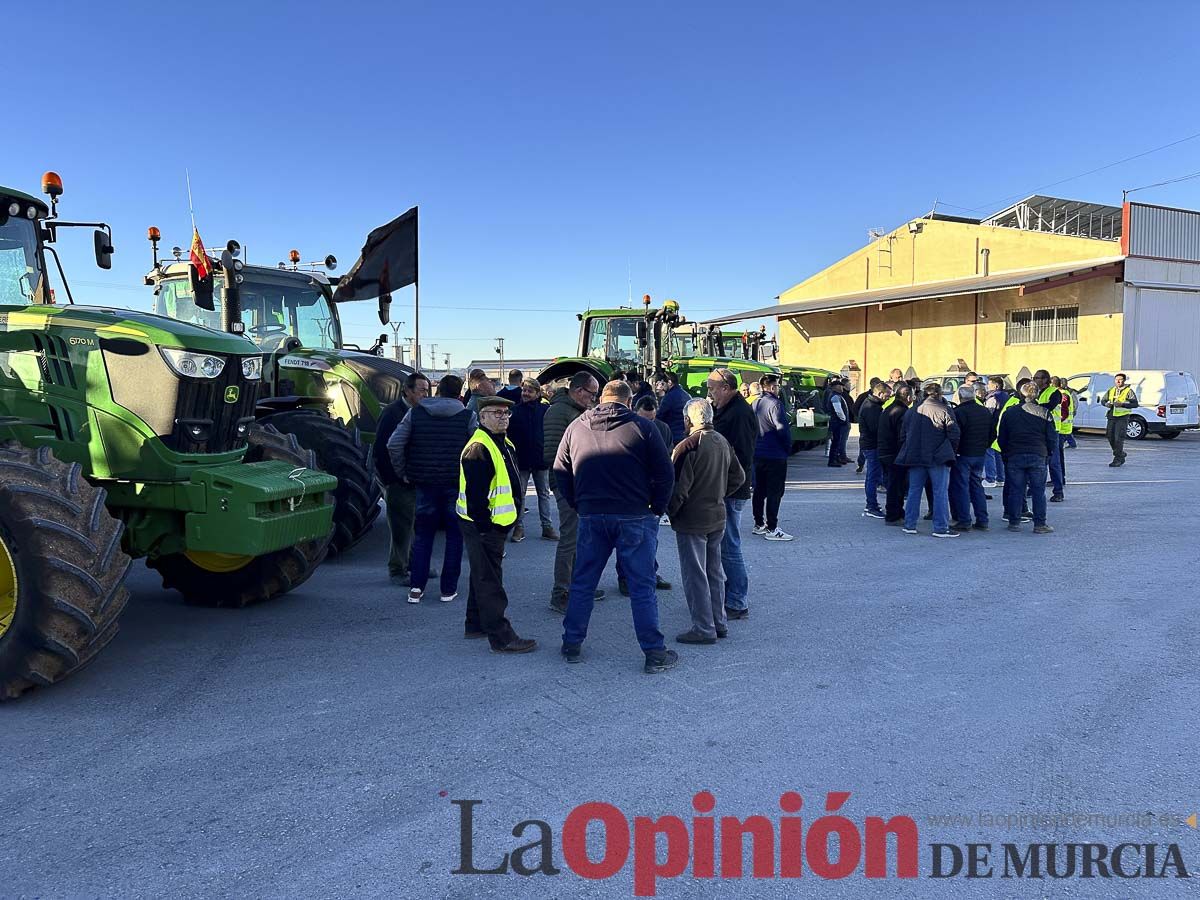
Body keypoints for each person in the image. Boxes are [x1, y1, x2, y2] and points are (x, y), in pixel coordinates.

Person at [554, 380, 677, 673]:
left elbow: (560, 470)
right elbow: (665, 474)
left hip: (591, 515)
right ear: (630, 400)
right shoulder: (643, 428)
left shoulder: (576, 427)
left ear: (601, 398)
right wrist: (655, 509)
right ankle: (654, 652)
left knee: (583, 582)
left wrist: (578, 503)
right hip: (634, 515)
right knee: (641, 586)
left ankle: (572, 643)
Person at [456, 396, 538, 653]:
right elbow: (476, 496)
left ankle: (475, 624)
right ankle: (502, 637)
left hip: (493, 524)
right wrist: (485, 529)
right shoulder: (479, 447)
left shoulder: (502, 443)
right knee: (490, 580)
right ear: (482, 417)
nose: (503, 418)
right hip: (484, 525)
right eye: (496, 413)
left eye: (506, 414)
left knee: (482, 575)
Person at [387, 374, 476, 603]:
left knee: (423, 535)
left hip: (424, 483)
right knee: (455, 536)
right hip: (455, 484)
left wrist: (403, 472)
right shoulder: (468, 416)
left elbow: (393, 444)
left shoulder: (416, 413)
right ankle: (448, 589)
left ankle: (416, 588)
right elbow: (477, 449)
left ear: (437, 391)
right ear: (459, 393)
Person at [669, 398, 745, 644]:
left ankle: (703, 627)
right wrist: (720, 493)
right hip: (717, 514)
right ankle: (718, 621)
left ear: (688, 419)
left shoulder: (687, 446)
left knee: (695, 575)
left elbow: (679, 489)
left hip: (693, 518)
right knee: (714, 571)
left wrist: (670, 511)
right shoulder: (722, 441)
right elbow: (739, 477)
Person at [543, 372, 603, 613]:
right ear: (578, 391)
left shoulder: (573, 411)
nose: (594, 399)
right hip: (567, 483)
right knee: (569, 539)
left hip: (578, 482)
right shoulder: (560, 412)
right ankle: (561, 593)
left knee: (579, 537)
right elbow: (552, 455)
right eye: (592, 394)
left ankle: (578, 586)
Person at [708, 369, 756, 620]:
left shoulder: (738, 413)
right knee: (726, 545)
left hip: (731, 490)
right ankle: (731, 594)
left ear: (726, 387)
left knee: (729, 546)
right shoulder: (730, 410)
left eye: (712, 388)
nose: (710, 393)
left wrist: (724, 485)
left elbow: (742, 457)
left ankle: (737, 601)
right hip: (728, 487)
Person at [375, 371, 429, 580]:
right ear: (407, 391)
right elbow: (382, 449)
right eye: (421, 390)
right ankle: (398, 569)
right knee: (401, 527)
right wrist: (393, 479)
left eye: (427, 390)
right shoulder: (392, 413)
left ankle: (415, 565)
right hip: (398, 481)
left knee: (416, 524)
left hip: (414, 479)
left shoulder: (419, 411)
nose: (425, 394)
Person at [895, 383, 961, 538]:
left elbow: (903, 435)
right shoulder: (944, 410)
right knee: (940, 492)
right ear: (939, 394)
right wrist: (950, 451)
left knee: (914, 491)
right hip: (938, 457)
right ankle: (940, 527)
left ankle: (910, 524)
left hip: (915, 456)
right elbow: (954, 434)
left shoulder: (911, 411)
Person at [997, 381, 1057, 534]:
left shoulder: (1010, 412)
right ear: (1036, 394)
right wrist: (1048, 453)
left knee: (1016, 490)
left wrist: (1005, 453)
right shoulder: (1044, 412)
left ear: (1021, 394)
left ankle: (1014, 521)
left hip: (1015, 454)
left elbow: (1002, 436)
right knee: (1038, 491)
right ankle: (1040, 524)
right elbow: (1051, 438)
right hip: (1038, 454)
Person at [508, 377, 556, 543]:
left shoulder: (545, 410)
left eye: (529, 391)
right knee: (519, 495)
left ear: (537, 393)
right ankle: (518, 527)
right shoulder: (514, 411)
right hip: (520, 459)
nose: (526, 393)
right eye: (524, 390)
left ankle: (547, 527)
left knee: (543, 493)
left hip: (540, 458)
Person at [751, 374, 793, 540]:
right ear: (772, 387)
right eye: (777, 386)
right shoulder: (775, 404)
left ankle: (758, 523)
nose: (779, 388)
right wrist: (787, 447)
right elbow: (781, 428)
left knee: (759, 490)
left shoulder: (755, 403)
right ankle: (772, 527)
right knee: (775, 491)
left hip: (758, 452)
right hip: (775, 453)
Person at [949, 385, 992, 532]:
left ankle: (964, 520)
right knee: (977, 486)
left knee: (961, 487)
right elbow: (993, 432)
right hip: (979, 453)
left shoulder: (959, 412)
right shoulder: (984, 411)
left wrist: (955, 451)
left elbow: (955, 435)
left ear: (960, 397)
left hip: (963, 454)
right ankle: (982, 519)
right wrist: (985, 446)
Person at [877, 385, 912, 525]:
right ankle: (893, 514)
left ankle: (897, 512)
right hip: (895, 454)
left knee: (893, 484)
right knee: (896, 486)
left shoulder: (889, 409)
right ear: (908, 397)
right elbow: (902, 436)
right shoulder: (902, 412)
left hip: (886, 451)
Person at [857, 381, 890, 519]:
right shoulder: (872, 408)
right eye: (887, 395)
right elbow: (876, 429)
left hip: (870, 445)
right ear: (880, 393)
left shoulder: (872, 404)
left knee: (873, 476)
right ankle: (871, 506)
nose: (889, 397)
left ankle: (871, 505)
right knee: (873, 477)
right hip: (872, 446)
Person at [1032, 369, 1065, 502]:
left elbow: (1049, 406)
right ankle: (1032, 488)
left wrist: (1034, 406)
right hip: (1039, 430)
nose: (1034, 380)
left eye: (1037, 378)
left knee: (1053, 462)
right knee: (1038, 462)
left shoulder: (1054, 392)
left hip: (1052, 430)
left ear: (1045, 380)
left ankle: (1058, 492)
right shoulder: (1036, 392)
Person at [1102, 373, 1138, 467]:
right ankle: (1121, 453)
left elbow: (1135, 404)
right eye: (1116, 379)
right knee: (1110, 436)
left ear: (1124, 381)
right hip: (1112, 415)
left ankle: (1117, 459)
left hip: (1122, 417)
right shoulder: (1111, 390)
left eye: (1120, 379)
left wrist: (1122, 404)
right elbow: (1103, 400)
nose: (1118, 381)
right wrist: (1107, 404)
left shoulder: (1129, 391)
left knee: (1118, 438)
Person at [982, 376, 1010, 488]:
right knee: (998, 453)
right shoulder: (1006, 396)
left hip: (993, 428)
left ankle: (990, 478)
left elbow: (989, 414)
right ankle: (1000, 478)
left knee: (989, 453)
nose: (987, 386)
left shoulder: (993, 398)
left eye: (989, 384)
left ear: (996, 386)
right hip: (1002, 427)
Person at [853, 377, 882, 471]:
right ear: (872, 385)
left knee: (866, 446)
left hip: (873, 425)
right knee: (865, 446)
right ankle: (860, 463)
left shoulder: (879, 398)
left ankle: (861, 463)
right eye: (877, 384)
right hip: (865, 425)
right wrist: (861, 418)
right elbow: (855, 408)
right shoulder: (864, 396)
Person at [656, 371, 691, 445]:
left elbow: (659, 416)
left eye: (663, 384)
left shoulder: (668, 397)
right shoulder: (687, 395)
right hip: (686, 435)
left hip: (673, 436)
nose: (662, 387)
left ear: (669, 382)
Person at [826, 379, 851, 467]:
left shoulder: (837, 396)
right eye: (840, 386)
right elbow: (838, 410)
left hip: (837, 422)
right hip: (837, 423)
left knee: (837, 441)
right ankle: (832, 461)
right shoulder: (835, 397)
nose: (842, 387)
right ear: (836, 387)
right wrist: (843, 419)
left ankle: (836, 459)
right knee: (836, 442)